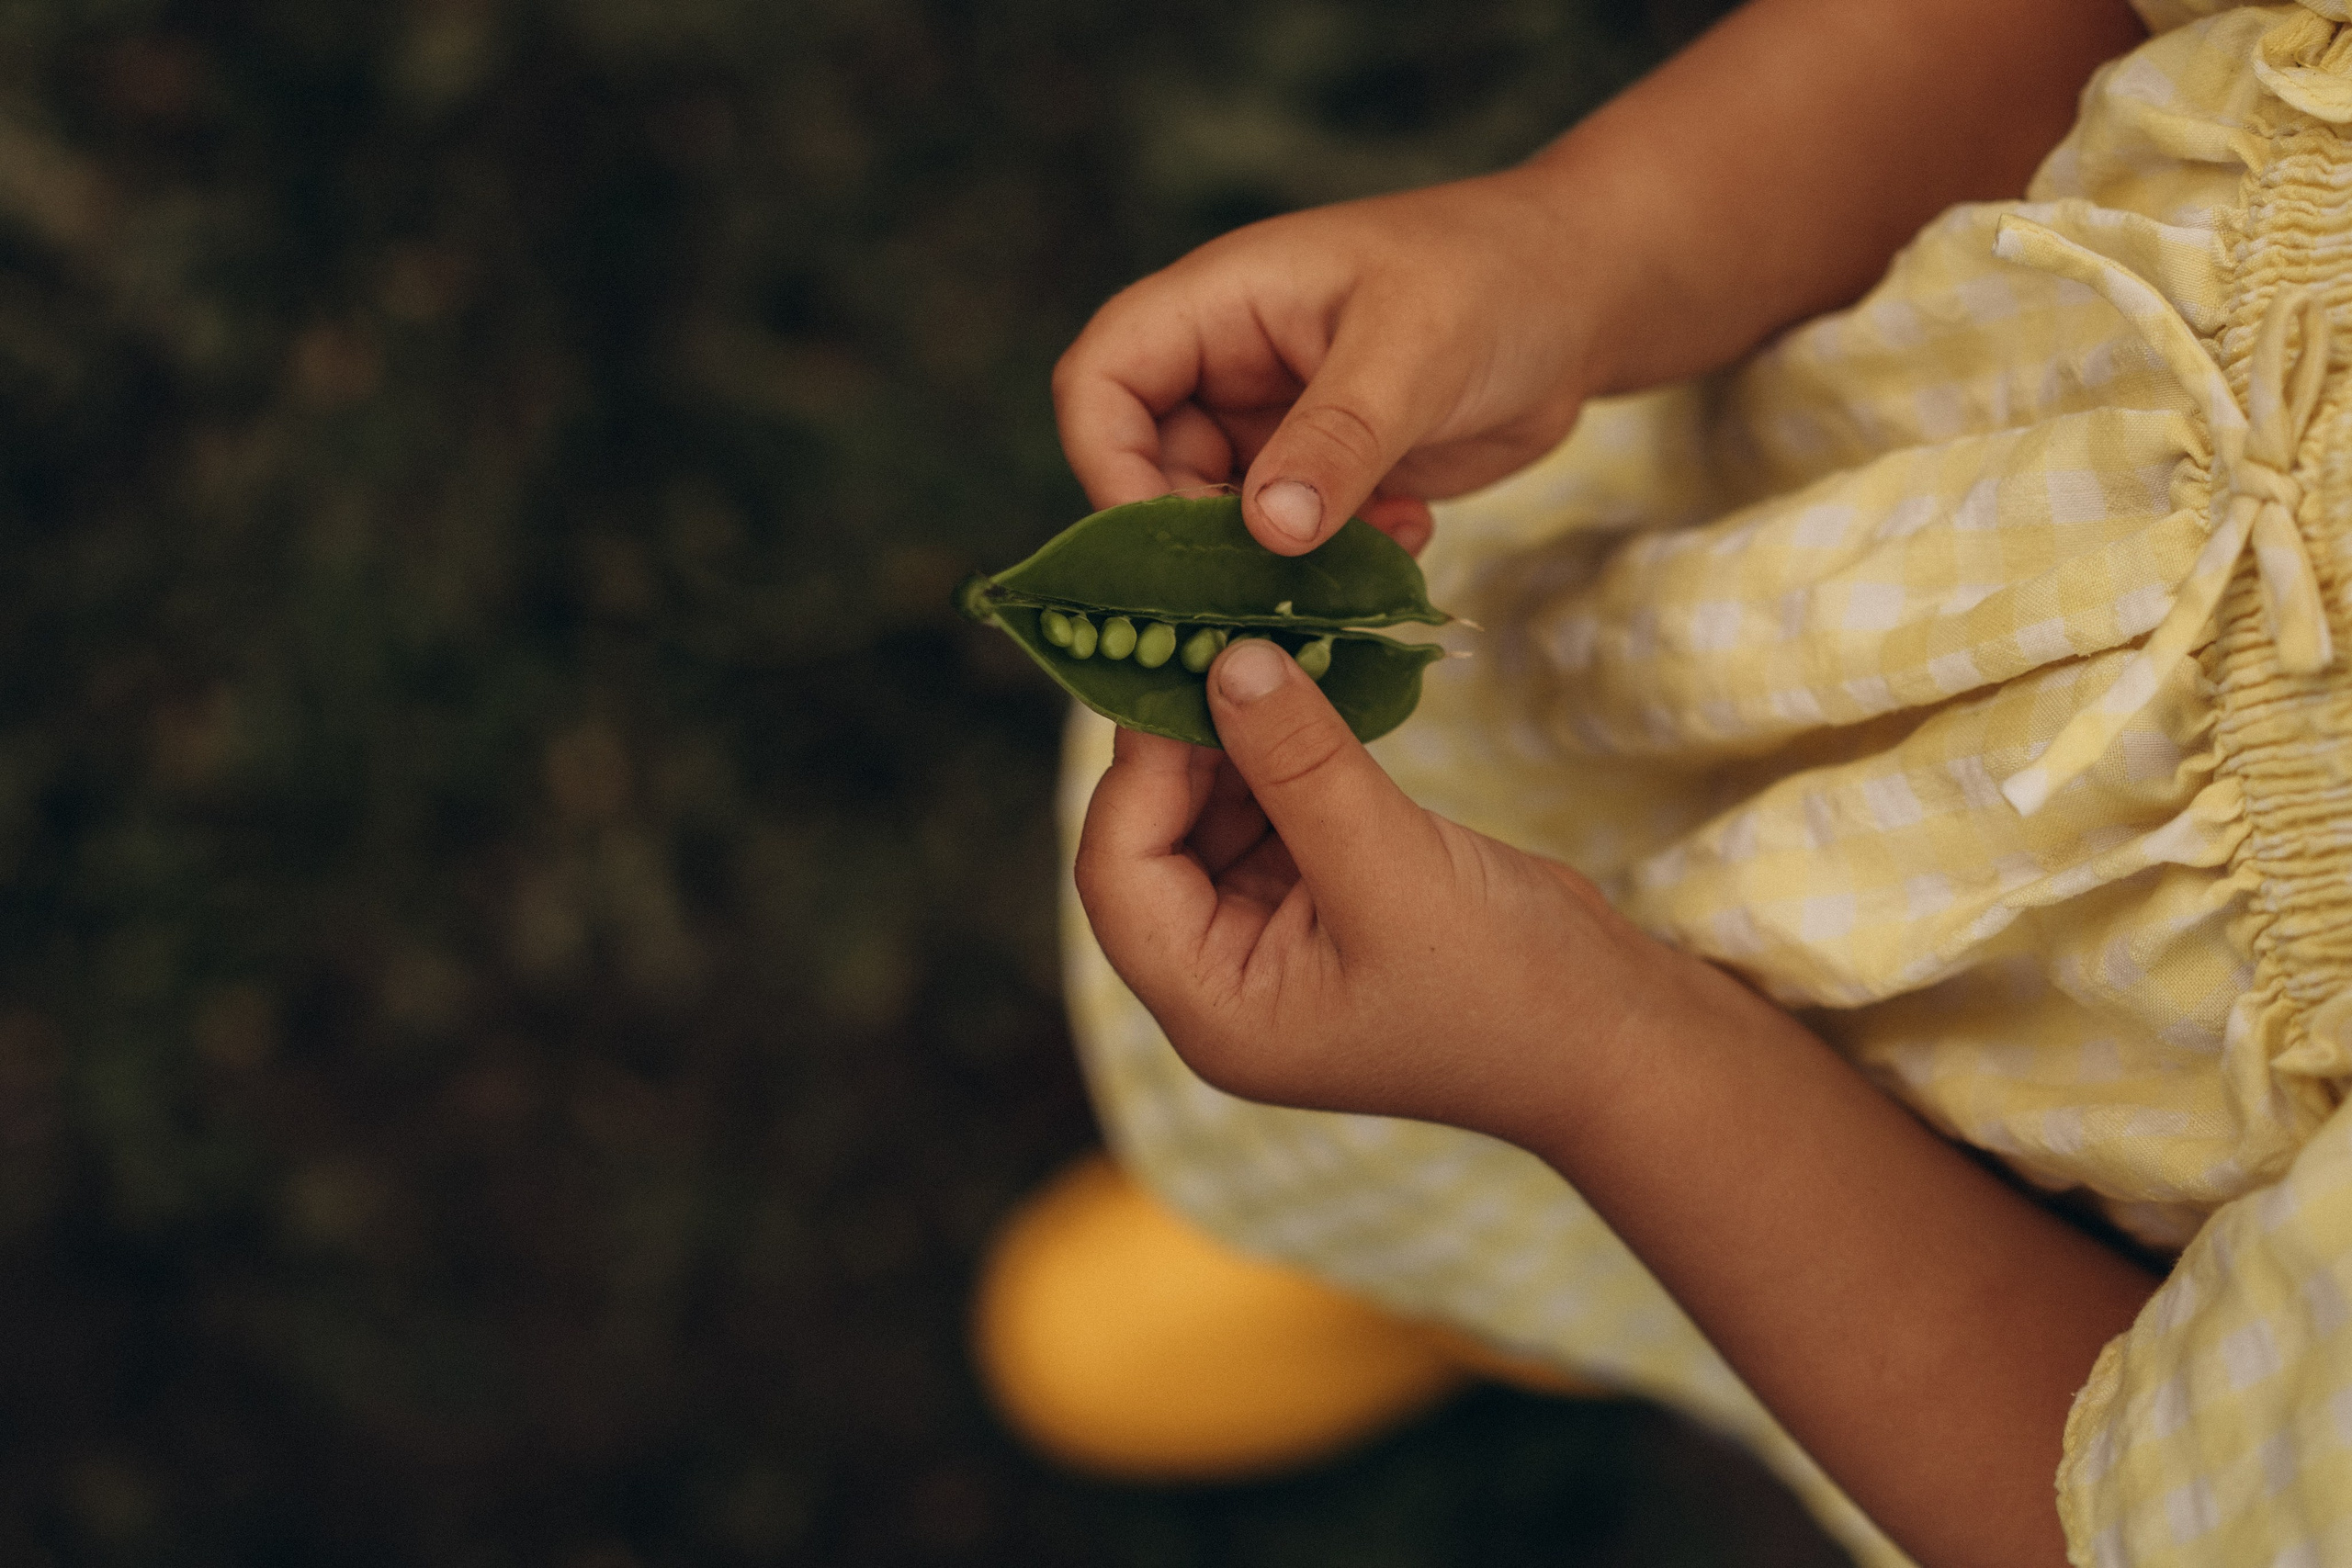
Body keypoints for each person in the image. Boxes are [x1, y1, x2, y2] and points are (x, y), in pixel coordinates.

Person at [973, 0, 2352, 1563]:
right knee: (1436, 831)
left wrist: (1594, 1061)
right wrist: (1579, 243)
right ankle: (1394, 1202)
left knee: (1641, 1203)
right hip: (1725, 561)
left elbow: (2129, 1505)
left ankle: (1515, 1274)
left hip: (1966, 1204)